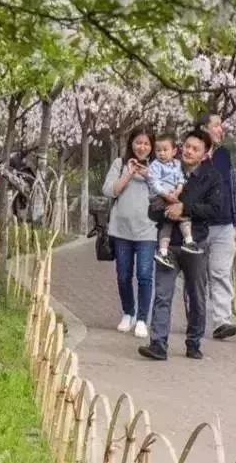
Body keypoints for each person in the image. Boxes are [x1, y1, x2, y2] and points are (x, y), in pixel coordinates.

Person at [138, 129, 222, 361]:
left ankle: (194, 342)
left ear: (205, 153)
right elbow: (152, 209)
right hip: (168, 244)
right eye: (186, 146)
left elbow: (215, 210)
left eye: (195, 149)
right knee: (163, 294)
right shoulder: (166, 170)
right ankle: (158, 343)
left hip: (195, 244)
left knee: (195, 295)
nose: (189, 151)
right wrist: (166, 211)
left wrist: (185, 209)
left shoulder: (211, 177)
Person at [101, 126, 158, 339]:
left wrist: (148, 175)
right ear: (131, 143)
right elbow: (109, 190)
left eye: (146, 143)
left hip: (147, 231)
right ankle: (128, 312)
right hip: (121, 230)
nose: (141, 147)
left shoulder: (157, 166)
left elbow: (164, 192)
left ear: (151, 146)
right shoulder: (120, 164)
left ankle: (143, 318)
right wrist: (129, 173)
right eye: (138, 142)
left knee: (144, 275)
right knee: (123, 275)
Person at [196, 113, 236, 340]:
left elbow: (233, 187)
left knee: (221, 272)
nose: (221, 130)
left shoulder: (224, 155)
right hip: (199, 225)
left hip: (224, 225)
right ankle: (195, 318)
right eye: (216, 125)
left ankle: (222, 321)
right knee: (197, 276)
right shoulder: (192, 154)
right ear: (204, 128)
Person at [147, 133, 198, 268]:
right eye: (158, 150)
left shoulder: (177, 164)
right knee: (173, 218)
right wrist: (166, 194)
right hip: (159, 198)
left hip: (174, 195)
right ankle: (167, 250)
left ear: (174, 151)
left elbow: (181, 178)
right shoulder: (155, 166)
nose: (161, 154)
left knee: (175, 218)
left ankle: (185, 242)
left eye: (165, 150)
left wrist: (178, 190)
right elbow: (154, 183)